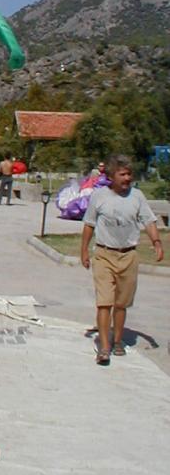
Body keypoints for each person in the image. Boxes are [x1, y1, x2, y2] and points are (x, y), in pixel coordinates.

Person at [80, 154, 164, 366]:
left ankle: (118, 341)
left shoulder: (137, 196)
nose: (127, 178)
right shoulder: (99, 196)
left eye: (129, 174)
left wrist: (156, 242)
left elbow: (149, 220)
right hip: (104, 254)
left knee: (121, 303)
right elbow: (89, 224)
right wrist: (84, 251)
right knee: (104, 302)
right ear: (111, 176)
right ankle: (104, 347)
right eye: (122, 174)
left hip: (128, 255)